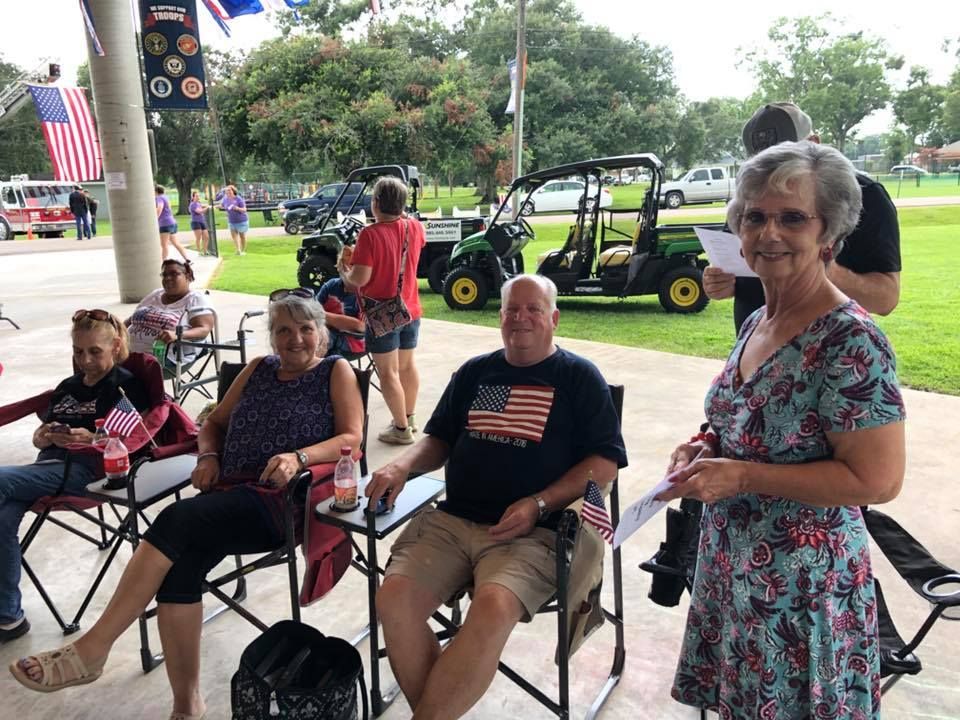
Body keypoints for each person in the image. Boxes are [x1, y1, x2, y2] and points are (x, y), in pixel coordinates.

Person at [10, 294, 364, 719]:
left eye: (305, 329)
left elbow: (351, 439)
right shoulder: (258, 369)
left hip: (280, 501)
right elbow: (212, 422)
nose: (295, 339)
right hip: (227, 493)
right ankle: (187, 705)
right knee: (179, 569)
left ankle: (92, 649)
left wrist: (299, 457)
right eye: (284, 330)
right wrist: (209, 456)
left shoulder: (333, 370)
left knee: (176, 518)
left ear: (321, 335)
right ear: (271, 337)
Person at [657, 141, 906, 719]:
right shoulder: (757, 321)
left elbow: (878, 479)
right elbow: (743, 419)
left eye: (793, 217)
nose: (769, 232)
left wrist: (741, 475)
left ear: (830, 237)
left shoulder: (851, 341)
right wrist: (706, 446)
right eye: (755, 216)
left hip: (801, 594)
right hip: (732, 569)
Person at [366, 274, 627, 720]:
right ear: (500, 315)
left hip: (532, 534)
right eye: (511, 309)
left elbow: (605, 464)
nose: (520, 318)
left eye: (533, 309)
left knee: (493, 604)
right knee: (393, 599)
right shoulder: (474, 372)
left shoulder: (579, 377)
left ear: (554, 318)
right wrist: (401, 465)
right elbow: (438, 440)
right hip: (453, 522)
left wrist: (539, 503)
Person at [0, 310, 149, 643]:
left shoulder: (125, 386)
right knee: (2, 515)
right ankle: (9, 618)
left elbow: (132, 439)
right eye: (79, 352)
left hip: (88, 473)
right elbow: (39, 435)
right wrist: (46, 436)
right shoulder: (67, 387)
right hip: (46, 468)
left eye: (95, 351)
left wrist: (91, 439)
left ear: (115, 345)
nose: (86, 360)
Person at [702, 102, 902, 333]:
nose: (770, 232)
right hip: (757, 338)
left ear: (814, 145)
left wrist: (819, 267)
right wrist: (722, 283)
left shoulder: (865, 195)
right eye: (764, 162)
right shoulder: (751, 193)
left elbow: (885, 298)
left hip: (821, 345)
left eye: (793, 218)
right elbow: (739, 265)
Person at [340, 177, 425, 444]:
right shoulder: (415, 227)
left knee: (388, 373)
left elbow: (360, 279)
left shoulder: (369, 234)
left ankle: (400, 430)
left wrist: (344, 272)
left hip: (382, 313)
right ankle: (408, 418)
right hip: (410, 307)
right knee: (407, 366)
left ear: (376, 203)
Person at [125, 259, 214, 369]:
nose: (167, 278)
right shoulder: (155, 294)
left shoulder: (195, 299)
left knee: (120, 370)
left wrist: (177, 335)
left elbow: (203, 329)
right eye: (164, 275)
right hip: (129, 352)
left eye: (174, 274)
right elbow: (132, 319)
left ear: (188, 275)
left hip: (165, 357)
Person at [316, 247, 365, 357]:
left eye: (354, 266)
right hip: (326, 335)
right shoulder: (331, 285)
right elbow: (312, 309)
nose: (349, 270)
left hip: (354, 343)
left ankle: (311, 371)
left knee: (316, 341)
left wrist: (320, 315)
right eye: (347, 265)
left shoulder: (367, 292)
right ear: (340, 266)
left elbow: (360, 326)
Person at [156, 185, 190, 262]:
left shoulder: (159, 198)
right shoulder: (166, 197)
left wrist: (156, 218)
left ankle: (163, 262)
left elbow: (160, 208)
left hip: (165, 224)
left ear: (156, 191)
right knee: (175, 243)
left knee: (164, 245)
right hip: (172, 223)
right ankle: (187, 259)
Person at [220, 184, 248, 255]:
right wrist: (212, 206)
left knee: (242, 236)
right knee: (234, 236)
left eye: (229, 191)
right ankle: (238, 250)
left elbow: (244, 209)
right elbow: (222, 205)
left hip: (241, 221)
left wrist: (237, 208)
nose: (228, 192)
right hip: (231, 221)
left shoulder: (238, 199)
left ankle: (243, 250)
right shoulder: (225, 199)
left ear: (233, 191)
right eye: (227, 191)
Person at [187, 191, 210, 256]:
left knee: (206, 237)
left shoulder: (198, 203)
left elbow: (201, 206)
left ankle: (205, 251)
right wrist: (207, 208)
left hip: (202, 221)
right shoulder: (192, 204)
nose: (198, 197)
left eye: (198, 196)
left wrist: (207, 205)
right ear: (193, 197)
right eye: (196, 196)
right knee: (198, 238)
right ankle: (199, 251)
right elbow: (199, 211)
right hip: (195, 222)